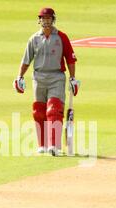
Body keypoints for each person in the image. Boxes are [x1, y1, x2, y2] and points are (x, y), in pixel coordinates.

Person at [14, 7, 80, 156]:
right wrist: (20, 76)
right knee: (39, 111)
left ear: (53, 20)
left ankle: (55, 145)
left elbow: (70, 58)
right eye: (44, 19)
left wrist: (73, 78)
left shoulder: (62, 37)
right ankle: (42, 145)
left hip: (56, 77)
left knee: (54, 109)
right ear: (40, 20)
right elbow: (26, 60)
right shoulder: (34, 39)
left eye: (49, 19)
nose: (46, 22)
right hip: (38, 77)